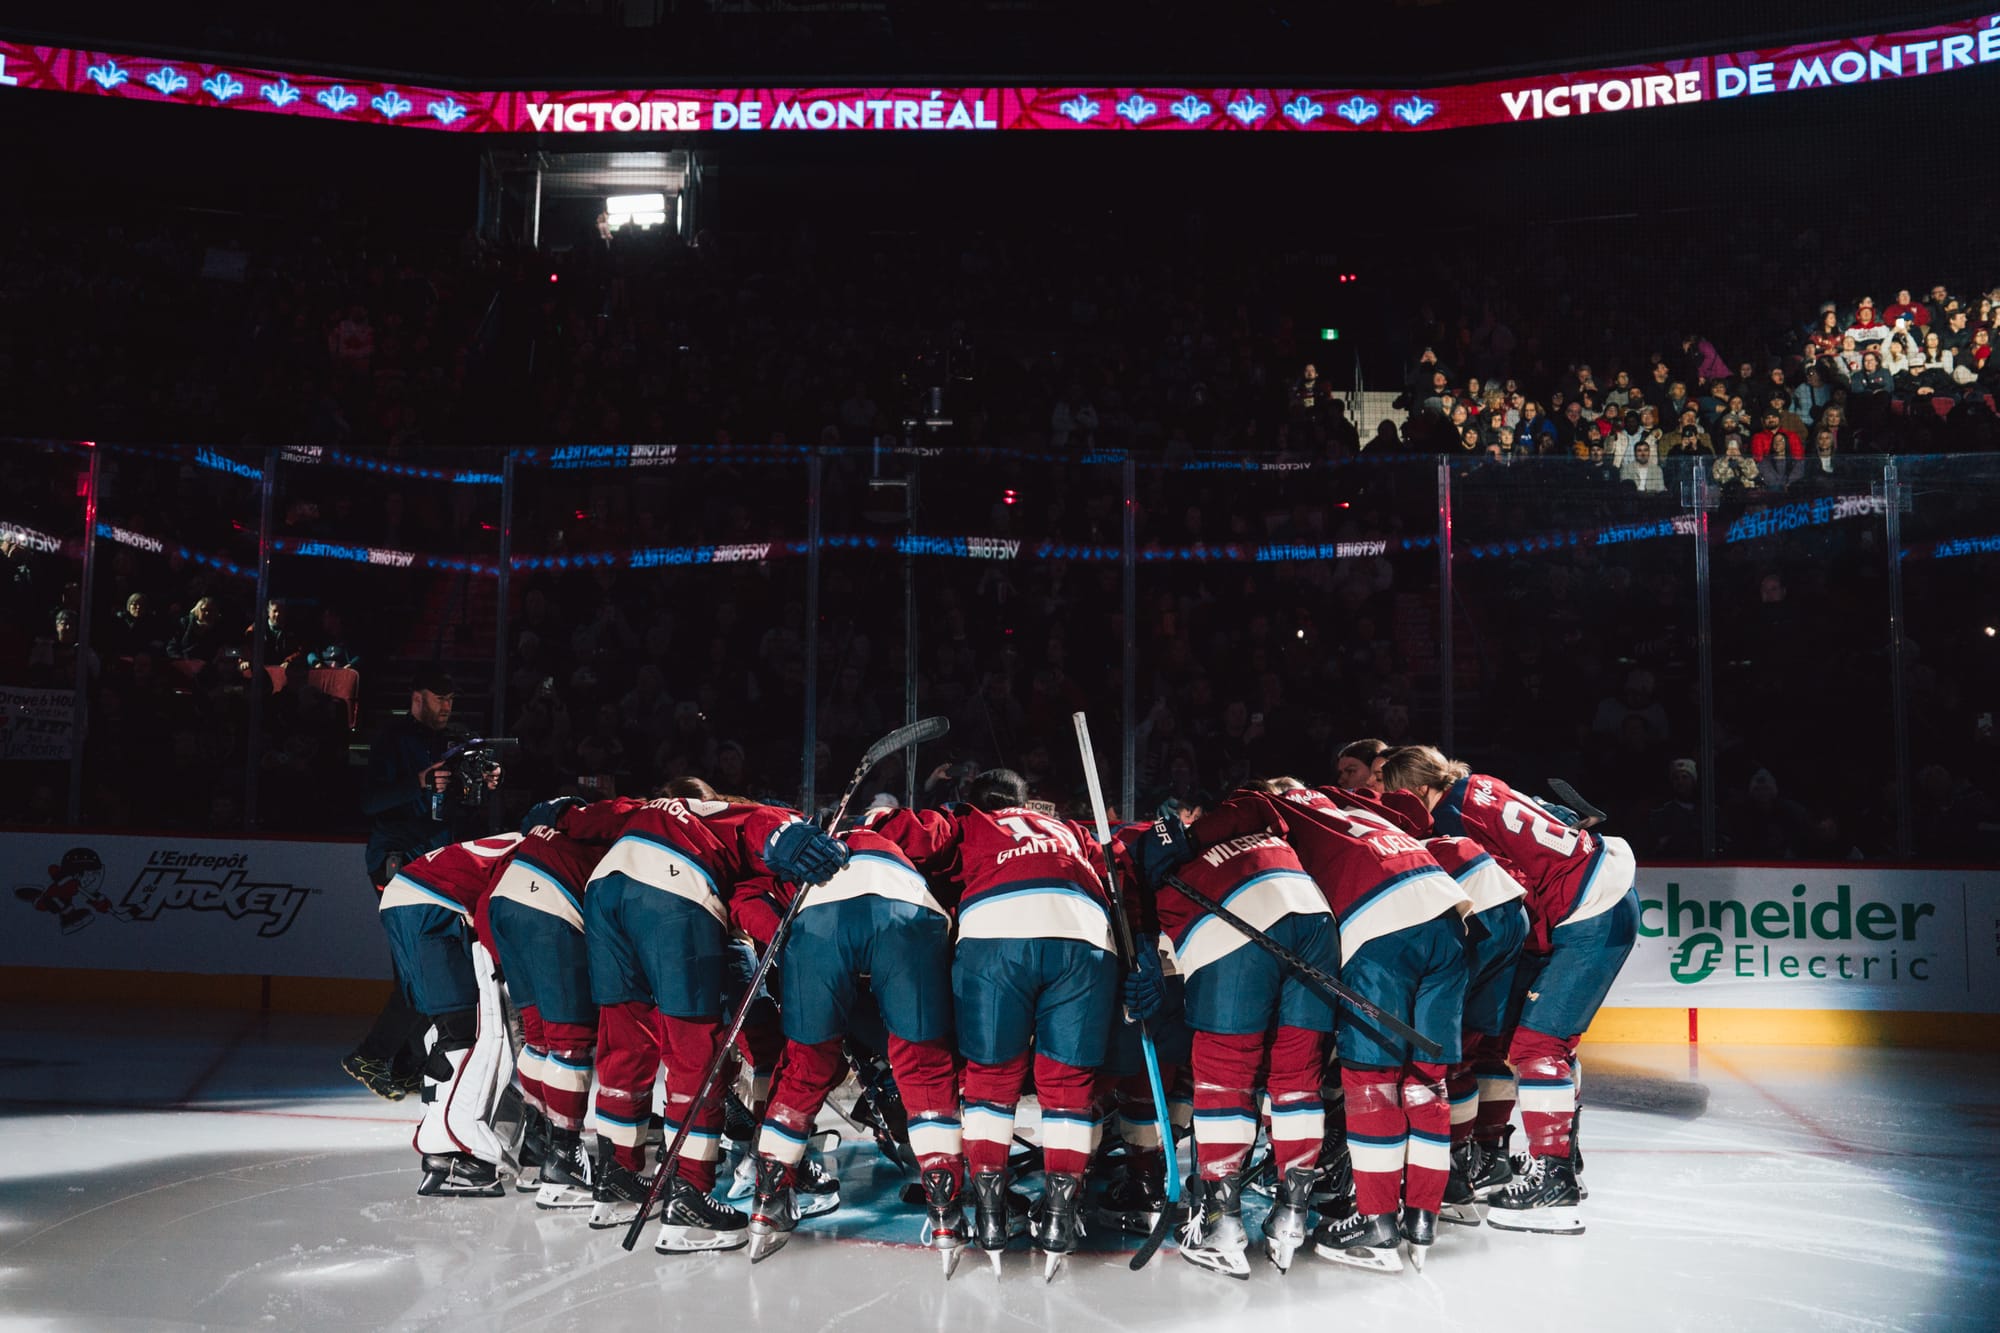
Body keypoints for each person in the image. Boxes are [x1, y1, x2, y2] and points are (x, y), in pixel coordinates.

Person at [562, 779, 849, 1254]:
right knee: (695, 1055)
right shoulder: (713, 812)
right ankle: (688, 1197)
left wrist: (552, 813)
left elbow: (575, 819)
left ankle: (618, 1180)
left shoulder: (638, 806)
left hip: (604, 891)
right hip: (676, 892)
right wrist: (799, 839)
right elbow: (767, 826)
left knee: (625, 1043)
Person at [1377, 746, 1640, 1235]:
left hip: (1588, 910)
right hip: (1604, 895)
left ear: (1413, 790)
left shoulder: (1452, 814)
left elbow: (1509, 887)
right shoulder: (1482, 785)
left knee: (1537, 1047)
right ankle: (1562, 1162)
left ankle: (1554, 1184)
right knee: (1545, 1043)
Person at [865, 769, 1118, 1278]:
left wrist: (876, 817)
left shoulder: (968, 823)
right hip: (1087, 935)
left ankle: (990, 1215)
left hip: (996, 934)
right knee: (1068, 1084)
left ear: (974, 803)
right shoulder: (1070, 830)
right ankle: (1059, 1220)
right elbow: (1120, 872)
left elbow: (899, 830)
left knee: (990, 1078)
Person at [736, 817, 966, 1272]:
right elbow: (949, 853)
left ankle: (767, 1204)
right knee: (924, 1067)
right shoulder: (900, 834)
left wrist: (790, 945)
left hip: (817, 922)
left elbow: (746, 898)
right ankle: (946, 1213)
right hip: (906, 914)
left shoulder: (805, 843)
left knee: (805, 1067)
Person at [1126, 786, 1339, 1277]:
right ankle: (1291, 1216)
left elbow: (1131, 900)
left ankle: (1221, 1227)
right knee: (1297, 1075)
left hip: (1232, 927)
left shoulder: (1142, 843)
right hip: (1312, 913)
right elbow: (1261, 806)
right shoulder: (1248, 821)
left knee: (1226, 1076)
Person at [345, 668, 487, 1101]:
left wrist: (479, 785)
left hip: (434, 863)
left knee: (424, 965)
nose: (446, 706)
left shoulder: (450, 743)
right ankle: (372, 1056)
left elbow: (450, 806)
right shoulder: (392, 739)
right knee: (418, 969)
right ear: (417, 697)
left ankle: (407, 1064)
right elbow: (371, 801)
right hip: (399, 861)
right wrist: (418, 782)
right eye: (438, 698)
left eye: (450, 699)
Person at [375, 829, 528, 1197]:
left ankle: (445, 1144)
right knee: (469, 1035)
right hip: (433, 908)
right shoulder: (533, 853)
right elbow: (491, 907)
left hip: (410, 902)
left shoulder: (521, 841)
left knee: (447, 1033)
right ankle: (456, 1151)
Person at [481, 799, 606, 1209]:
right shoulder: (623, 824)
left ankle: (540, 1146)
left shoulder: (543, 830)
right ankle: (565, 1163)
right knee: (570, 1041)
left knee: (537, 1037)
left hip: (504, 902)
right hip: (550, 904)